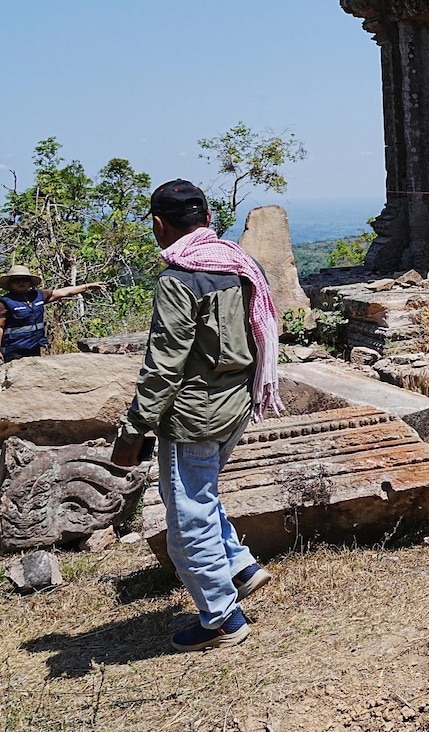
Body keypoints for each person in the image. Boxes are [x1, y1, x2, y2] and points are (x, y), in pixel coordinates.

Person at [111, 179, 283, 651]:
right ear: (208, 220)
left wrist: (134, 428)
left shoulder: (179, 278)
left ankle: (221, 618)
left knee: (188, 513)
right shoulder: (238, 265)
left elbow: (164, 364)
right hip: (236, 404)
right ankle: (239, 567)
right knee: (198, 494)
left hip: (193, 415)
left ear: (158, 225)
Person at [1, 266, 108, 361]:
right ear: (10, 283)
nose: (21, 283)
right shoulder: (4, 302)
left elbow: (64, 292)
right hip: (13, 351)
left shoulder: (37, 295)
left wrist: (87, 286)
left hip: (34, 348)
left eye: (24, 279)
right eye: (16, 280)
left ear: (29, 282)